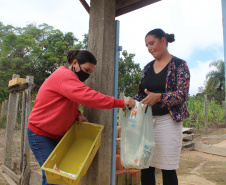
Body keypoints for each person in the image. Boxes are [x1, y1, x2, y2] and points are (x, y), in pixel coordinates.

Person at [27, 49, 135, 185]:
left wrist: (77, 114)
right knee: (54, 178)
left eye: (90, 72)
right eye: (86, 69)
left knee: (53, 177)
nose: (87, 74)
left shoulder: (69, 78)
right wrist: (119, 102)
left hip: (58, 136)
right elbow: (88, 96)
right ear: (75, 63)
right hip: (40, 134)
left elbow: (68, 101)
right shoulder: (64, 76)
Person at [133, 28, 190, 185]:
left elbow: (182, 95)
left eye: (152, 43)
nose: (149, 48)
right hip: (147, 123)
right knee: (146, 166)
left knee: (168, 167)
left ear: (163, 41)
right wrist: (129, 101)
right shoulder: (147, 68)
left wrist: (159, 97)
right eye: (146, 45)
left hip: (168, 122)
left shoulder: (179, 65)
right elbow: (140, 95)